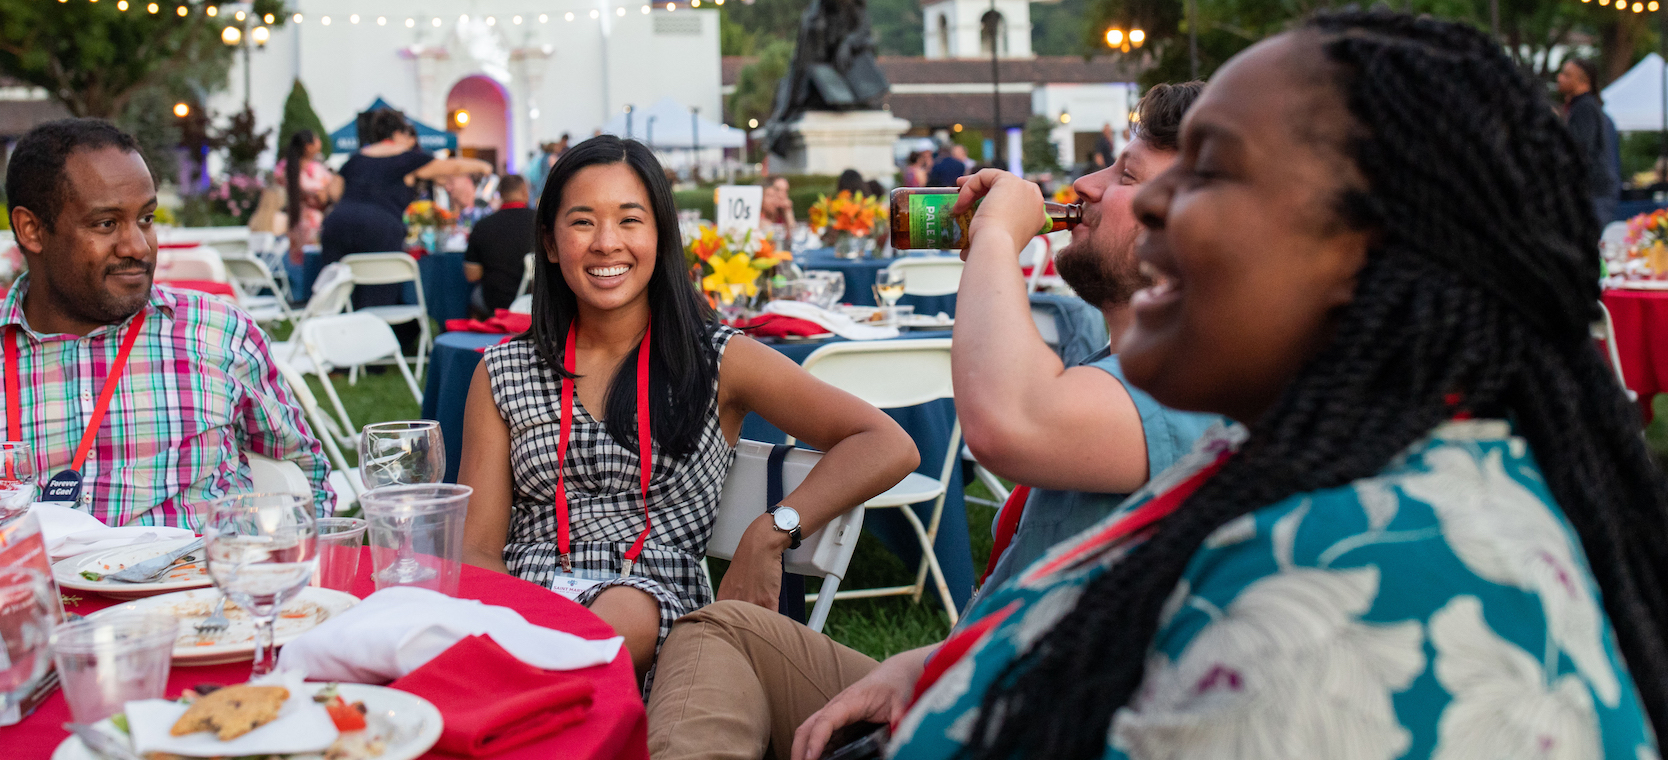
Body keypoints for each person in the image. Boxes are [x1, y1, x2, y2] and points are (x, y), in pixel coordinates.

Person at [880, 9, 1668, 758]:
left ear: (1366, 252)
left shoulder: (1369, 589)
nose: (1153, 202)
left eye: (1209, 171)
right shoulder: (1315, 473)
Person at [644, 83, 1219, 760]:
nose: (1084, 186)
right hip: (977, 675)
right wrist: (926, 660)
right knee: (720, 629)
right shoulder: (1116, 370)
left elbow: (1009, 421)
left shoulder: (1194, 388)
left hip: (1023, 722)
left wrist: (998, 236)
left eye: (1125, 174)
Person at [458, 136, 919, 681]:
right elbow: (477, 549)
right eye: (583, 222)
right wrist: (511, 627)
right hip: (527, 611)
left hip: (658, 616)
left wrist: (771, 532)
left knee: (624, 615)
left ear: (661, 236)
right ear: (551, 244)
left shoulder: (718, 358)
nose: (607, 243)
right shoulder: (504, 371)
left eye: (630, 220)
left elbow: (887, 443)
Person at [0, 119, 333, 527]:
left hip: (196, 597)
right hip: (25, 597)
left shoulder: (216, 333)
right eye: (106, 223)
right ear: (31, 230)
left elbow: (303, 473)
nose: (137, 246)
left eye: (145, 219)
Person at [319, 108, 491, 300]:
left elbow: (333, 192)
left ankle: (332, 328)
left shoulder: (356, 159)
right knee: (378, 295)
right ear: (398, 133)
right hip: (380, 228)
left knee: (335, 292)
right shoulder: (407, 158)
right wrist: (482, 166)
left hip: (337, 224)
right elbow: (452, 167)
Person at [1557, 57, 1622, 226]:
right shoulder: (1585, 106)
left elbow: (1579, 149)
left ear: (1583, 80)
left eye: (1566, 75)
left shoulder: (1584, 107)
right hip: (1595, 192)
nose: (1559, 78)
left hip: (1594, 193)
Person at [464, 174, 536, 318]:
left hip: (494, 303)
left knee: (473, 294)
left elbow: (472, 275)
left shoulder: (483, 225)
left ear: (501, 194)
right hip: (534, 301)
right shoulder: (542, 222)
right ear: (524, 191)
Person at [277, 129, 337, 271]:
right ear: (308, 146)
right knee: (312, 265)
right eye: (317, 140)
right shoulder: (314, 170)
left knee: (298, 266)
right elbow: (325, 194)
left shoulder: (286, 168)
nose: (320, 143)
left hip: (294, 221)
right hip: (312, 223)